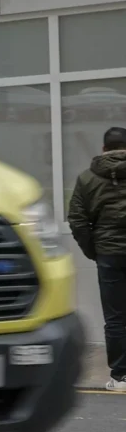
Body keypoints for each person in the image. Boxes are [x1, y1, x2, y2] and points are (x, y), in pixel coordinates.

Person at [68, 126, 126, 390]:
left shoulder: (87, 178)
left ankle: (120, 376)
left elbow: (78, 221)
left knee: (115, 317)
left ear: (104, 149)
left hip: (109, 255)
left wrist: (94, 250)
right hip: (108, 252)